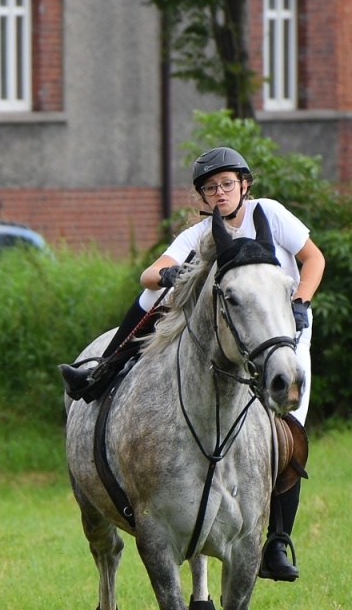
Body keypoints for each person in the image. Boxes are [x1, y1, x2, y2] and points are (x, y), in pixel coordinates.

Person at [59, 146, 324, 581]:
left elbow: (314, 259)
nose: (219, 194)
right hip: (231, 338)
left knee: (287, 431)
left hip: (283, 333)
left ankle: (276, 542)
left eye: (226, 184)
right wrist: (167, 275)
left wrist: (300, 302)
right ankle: (105, 367)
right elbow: (149, 274)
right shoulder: (200, 235)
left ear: (244, 184)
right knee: (153, 297)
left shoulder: (270, 214)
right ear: (202, 197)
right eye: (210, 188)